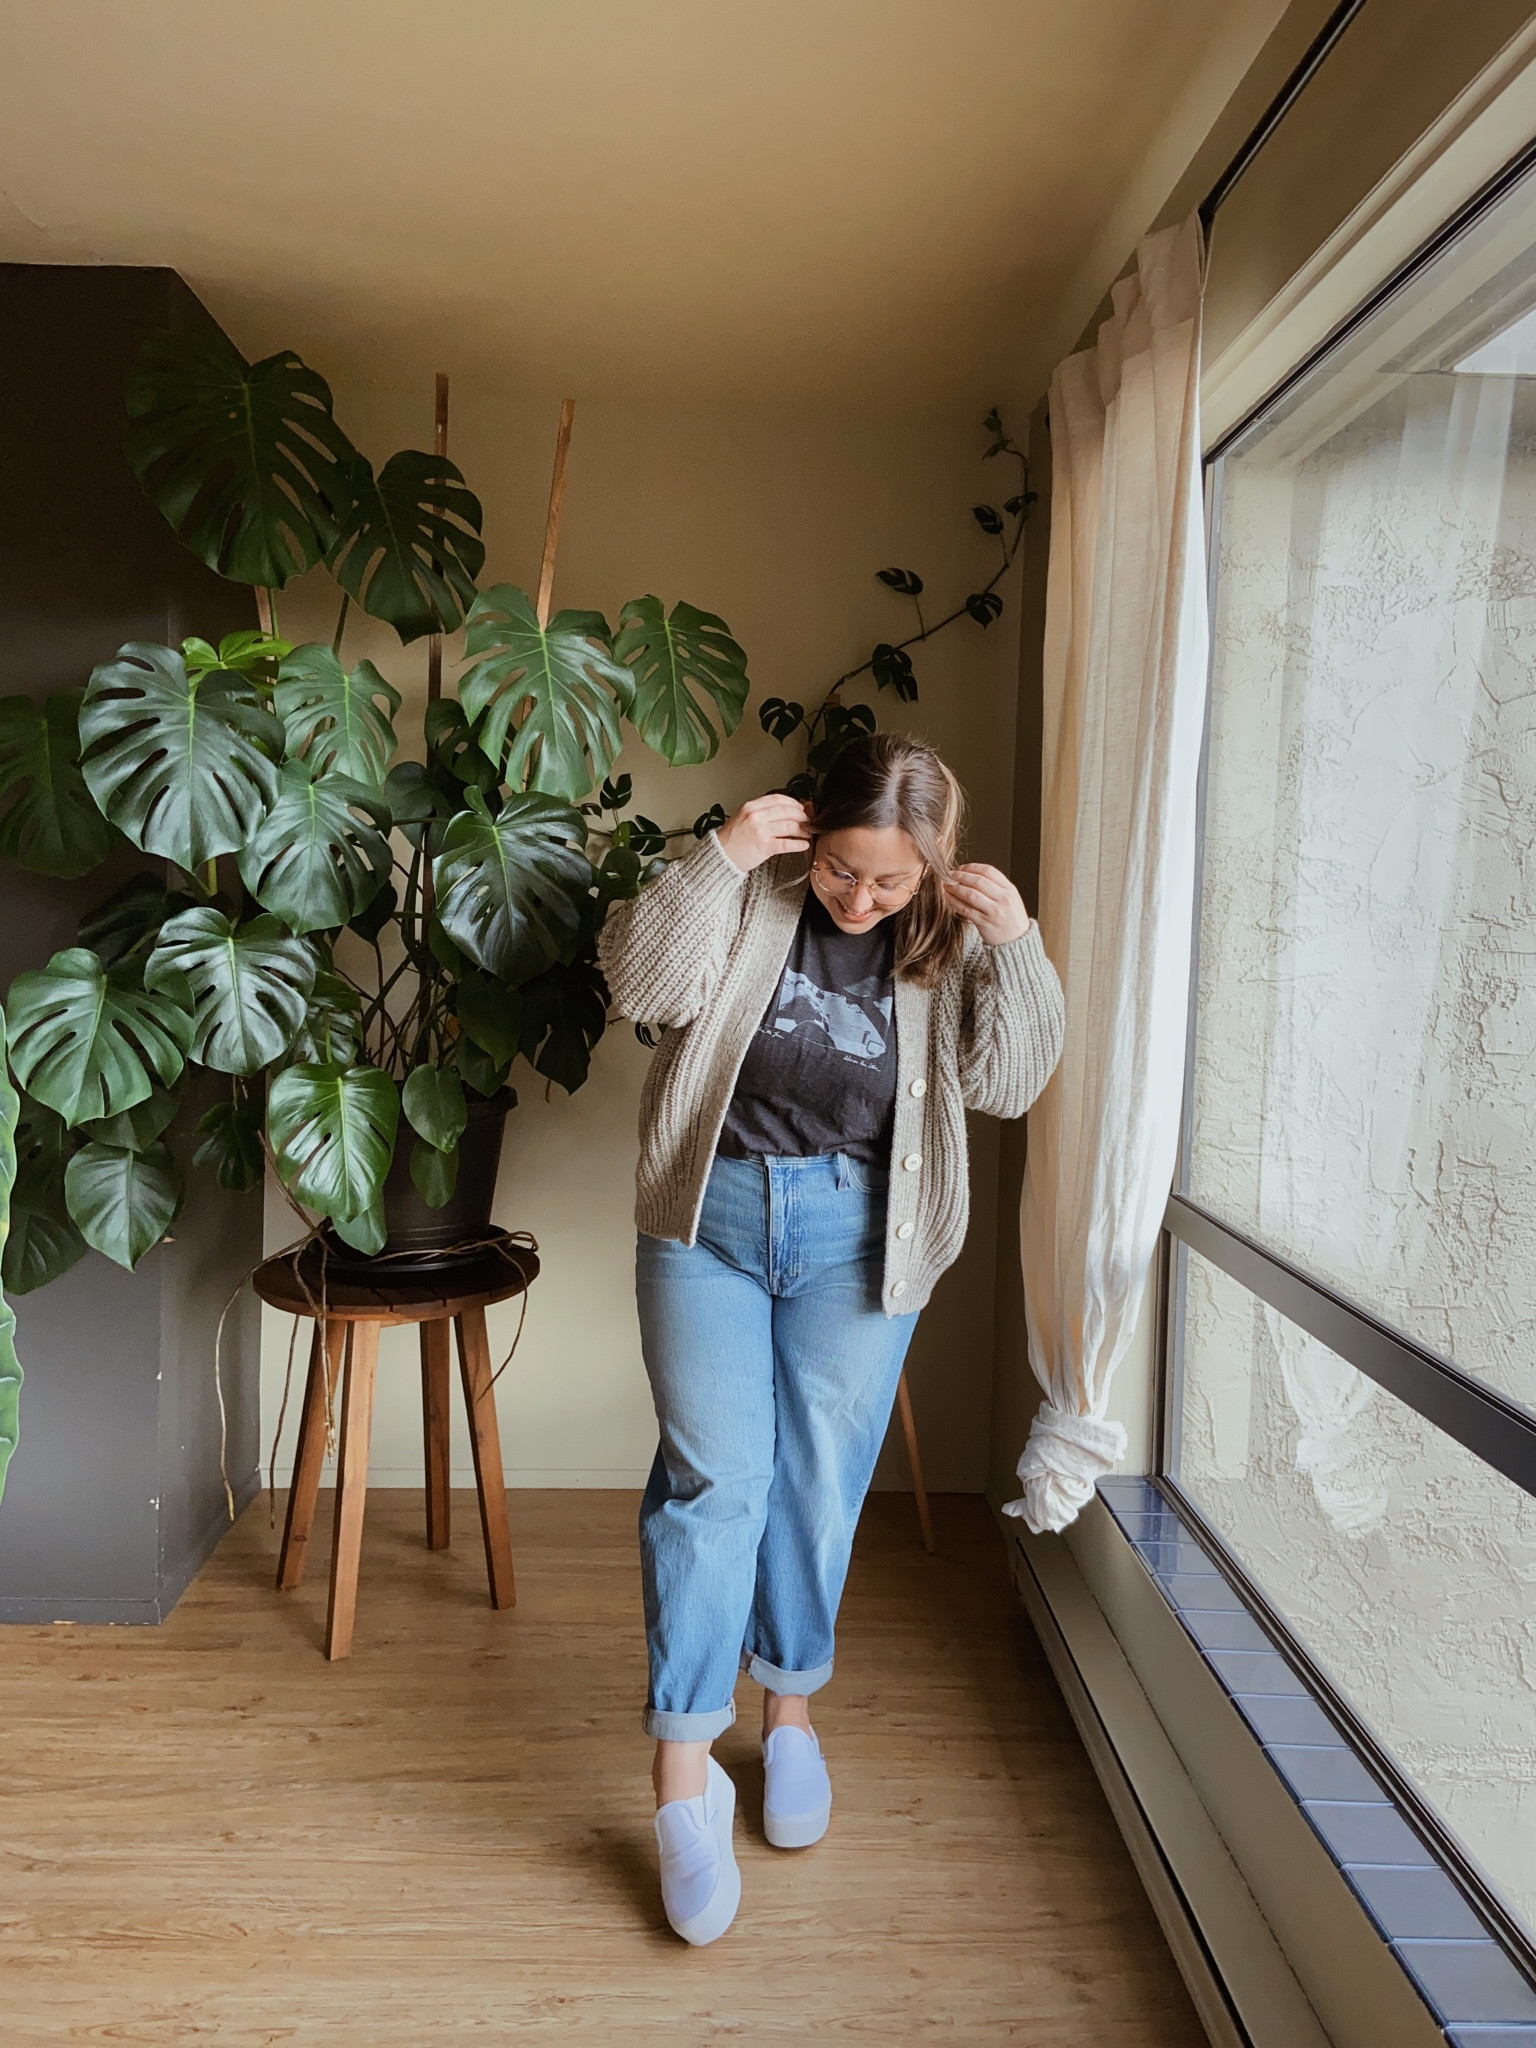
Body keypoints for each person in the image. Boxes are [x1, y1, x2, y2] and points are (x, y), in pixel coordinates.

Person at [598, 731, 1063, 1945]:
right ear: (814, 830)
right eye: (845, 869)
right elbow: (641, 987)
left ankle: (789, 1710)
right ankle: (683, 1784)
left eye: (889, 881)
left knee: (815, 1488)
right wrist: (717, 857)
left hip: (865, 1236)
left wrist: (1016, 944)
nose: (860, 899)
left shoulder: (951, 935)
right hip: (710, 1217)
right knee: (716, 1483)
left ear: (930, 868)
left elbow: (1011, 1080)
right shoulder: (752, 891)